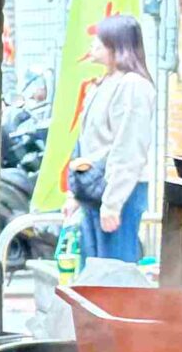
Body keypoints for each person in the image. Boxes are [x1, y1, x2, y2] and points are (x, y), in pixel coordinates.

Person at [68, 14, 158, 263]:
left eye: (101, 40)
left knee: (114, 272)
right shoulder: (103, 84)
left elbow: (130, 148)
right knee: (93, 271)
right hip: (94, 188)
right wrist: (75, 194)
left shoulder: (133, 85)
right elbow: (86, 143)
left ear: (117, 45)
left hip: (119, 190)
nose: (93, 44)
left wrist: (112, 203)